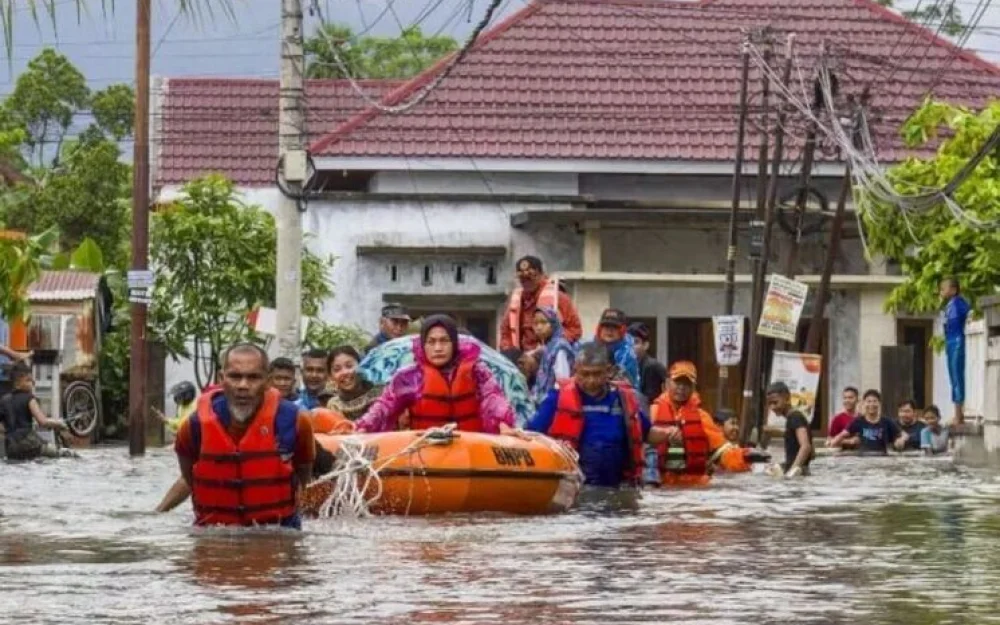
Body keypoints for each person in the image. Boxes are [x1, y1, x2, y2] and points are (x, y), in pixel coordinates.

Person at [172, 343, 315, 528]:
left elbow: (304, 476)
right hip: (214, 534)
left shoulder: (296, 422)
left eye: (253, 377)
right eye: (235, 376)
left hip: (278, 533)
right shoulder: (194, 426)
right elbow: (190, 477)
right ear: (221, 378)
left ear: (267, 381)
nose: (243, 385)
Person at [519, 342, 665, 488]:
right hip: (574, 486)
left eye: (597, 374)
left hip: (618, 486)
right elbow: (531, 433)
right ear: (575, 370)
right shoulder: (558, 398)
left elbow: (647, 433)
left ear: (608, 371)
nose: (591, 380)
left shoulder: (623, 399)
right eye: (585, 374)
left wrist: (670, 433)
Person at [355, 315, 515, 434]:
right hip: (427, 452)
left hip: (471, 449)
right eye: (431, 342)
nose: (438, 348)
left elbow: (493, 398)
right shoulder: (409, 377)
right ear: (423, 345)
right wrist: (362, 426)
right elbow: (384, 406)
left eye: (444, 341)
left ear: (454, 343)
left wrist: (503, 424)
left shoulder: (477, 371)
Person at [650, 361, 764, 485]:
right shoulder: (652, 413)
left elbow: (724, 453)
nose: (681, 387)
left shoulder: (702, 417)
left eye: (687, 383)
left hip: (695, 485)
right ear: (667, 384)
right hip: (660, 484)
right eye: (677, 382)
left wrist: (746, 456)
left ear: (693, 388)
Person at [499, 256, 582, 351]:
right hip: (522, 356)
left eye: (531, 276)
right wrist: (508, 348)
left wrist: (553, 345)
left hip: (549, 354)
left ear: (541, 275)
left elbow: (575, 329)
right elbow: (505, 331)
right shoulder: (516, 300)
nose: (526, 281)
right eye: (522, 278)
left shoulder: (558, 297)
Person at [1, 363, 69, 460]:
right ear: (17, 383)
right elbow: (43, 422)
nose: (33, 382)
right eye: (28, 380)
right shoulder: (29, 398)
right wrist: (59, 423)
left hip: (11, 448)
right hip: (30, 443)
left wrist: (9, 431)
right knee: (60, 453)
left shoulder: (4, 400)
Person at [827, 389, 908, 454]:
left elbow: (904, 434)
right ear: (864, 403)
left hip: (882, 458)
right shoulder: (858, 421)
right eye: (868, 401)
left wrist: (901, 440)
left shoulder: (886, 421)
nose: (871, 404)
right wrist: (833, 443)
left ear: (879, 403)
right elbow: (843, 434)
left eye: (874, 401)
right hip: (863, 459)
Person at [765, 382, 813, 477]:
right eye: (769, 404)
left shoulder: (795, 417)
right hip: (801, 472)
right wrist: (783, 466)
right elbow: (812, 453)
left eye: (775, 402)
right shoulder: (793, 418)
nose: (772, 407)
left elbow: (806, 446)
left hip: (798, 476)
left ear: (787, 398)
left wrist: (792, 471)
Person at [940, 277, 971, 425]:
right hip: (950, 341)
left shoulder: (959, 303)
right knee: (953, 377)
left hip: (957, 340)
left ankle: (959, 414)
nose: (941, 292)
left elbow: (968, 317)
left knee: (957, 376)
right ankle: (957, 413)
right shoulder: (949, 306)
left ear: (953, 290)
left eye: (943, 288)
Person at [326, 345, 384, 421]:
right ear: (331, 376)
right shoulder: (334, 405)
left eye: (349, 366)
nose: (344, 372)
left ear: (361, 365)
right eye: (337, 369)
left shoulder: (382, 393)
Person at [531, 306, 576, 403]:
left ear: (553, 324)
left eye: (543, 322)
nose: (539, 327)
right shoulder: (548, 347)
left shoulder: (560, 347)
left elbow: (563, 381)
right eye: (536, 323)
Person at [594, 308, 640, 389]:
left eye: (615, 327)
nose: (609, 330)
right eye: (606, 326)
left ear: (622, 330)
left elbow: (629, 386)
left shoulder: (628, 355)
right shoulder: (587, 349)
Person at [628, 322, 666, 404]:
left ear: (645, 345)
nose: (630, 346)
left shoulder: (653, 366)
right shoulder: (626, 366)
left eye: (635, 342)